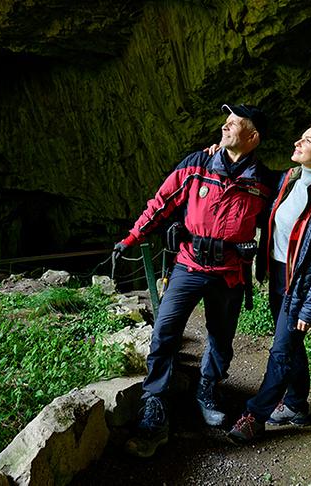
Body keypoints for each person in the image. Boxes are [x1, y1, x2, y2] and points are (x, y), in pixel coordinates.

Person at [114, 103, 274, 458]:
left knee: (221, 338)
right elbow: (162, 201)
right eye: (225, 121)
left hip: (229, 272)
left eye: (234, 123)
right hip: (188, 265)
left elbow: (279, 219)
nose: (225, 126)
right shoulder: (197, 164)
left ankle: (207, 388)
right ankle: (155, 404)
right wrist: (133, 236)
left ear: (253, 136)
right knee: (165, 330)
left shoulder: (264, 182)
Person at [225, 115, 311, 444]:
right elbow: (250, 170)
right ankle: (296, 404)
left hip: (301, 283)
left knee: (281, 349)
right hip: (278, 274)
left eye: (308, 140)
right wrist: (222, 150)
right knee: (291, 343)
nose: (298, 142)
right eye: (301, 137)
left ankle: (256, 416)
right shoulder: (288, 179)